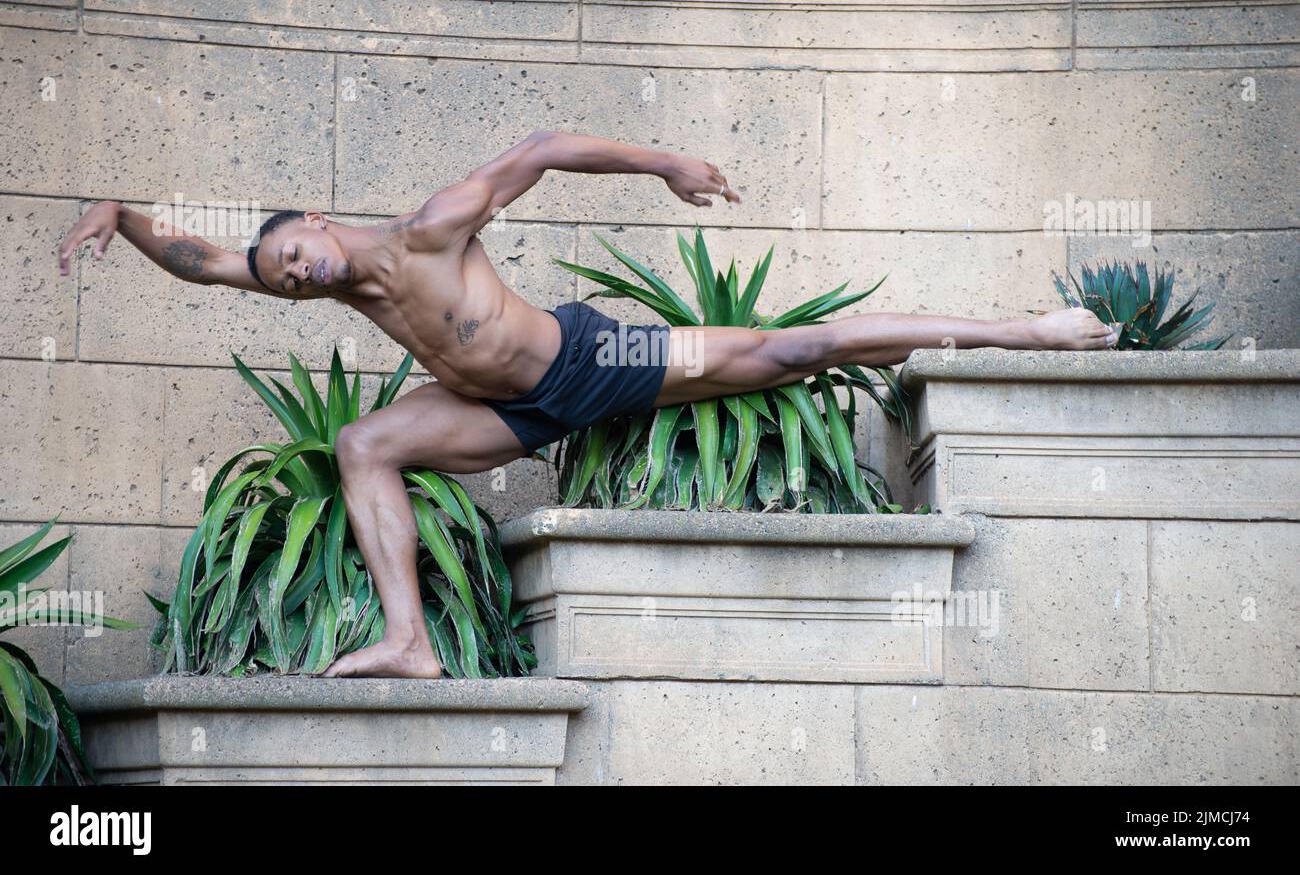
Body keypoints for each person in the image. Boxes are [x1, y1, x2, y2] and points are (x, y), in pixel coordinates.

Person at [58, 130, 1118, 677]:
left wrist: (667, 166)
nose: (294, 276)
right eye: (284, 277)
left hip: (592, 359)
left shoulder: (429, 231)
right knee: (364, 443)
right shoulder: (314, 275)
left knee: (802, 345)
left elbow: (540, 151)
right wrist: (120, 212)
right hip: (502, 415)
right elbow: (201, 261)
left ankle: (1030, 329)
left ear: (323, 224)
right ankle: (408, 642)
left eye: (296, 255)